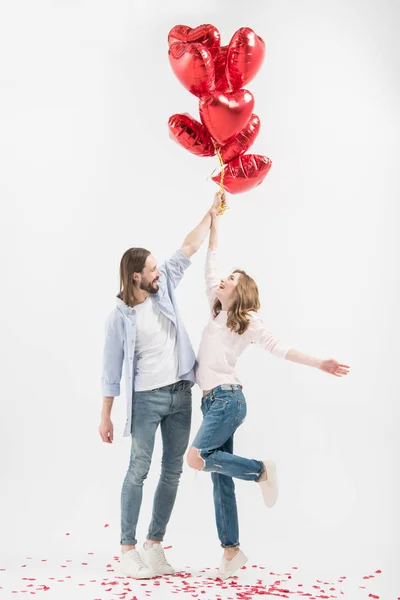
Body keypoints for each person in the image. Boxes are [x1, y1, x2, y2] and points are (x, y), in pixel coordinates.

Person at [186, 201, 351, 580]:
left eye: (232, 278)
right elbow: (211, 262)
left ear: (241, 291)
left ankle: (260, 470)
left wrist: (319, 362)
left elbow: (280, 347)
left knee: (196, 458)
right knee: (218, 475)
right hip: (210, 402)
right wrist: (214, 217)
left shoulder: (248, 321)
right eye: (225, 277)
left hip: (229, 401)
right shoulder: (216, 309)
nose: (224, 279)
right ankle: (231, 550)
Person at [99, 193, 223, 579]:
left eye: (157, 267)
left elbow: (187, 246)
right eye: (152, 270)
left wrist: (211, 212)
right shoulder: (119, 317)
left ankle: (154, 546)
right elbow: (110, 370)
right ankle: (127, 549)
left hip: (180, 395)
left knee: (172, 472)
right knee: (138, 470)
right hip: (147, 400)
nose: (159, 272)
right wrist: (104, 416)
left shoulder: (164, 284)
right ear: (135, 276)